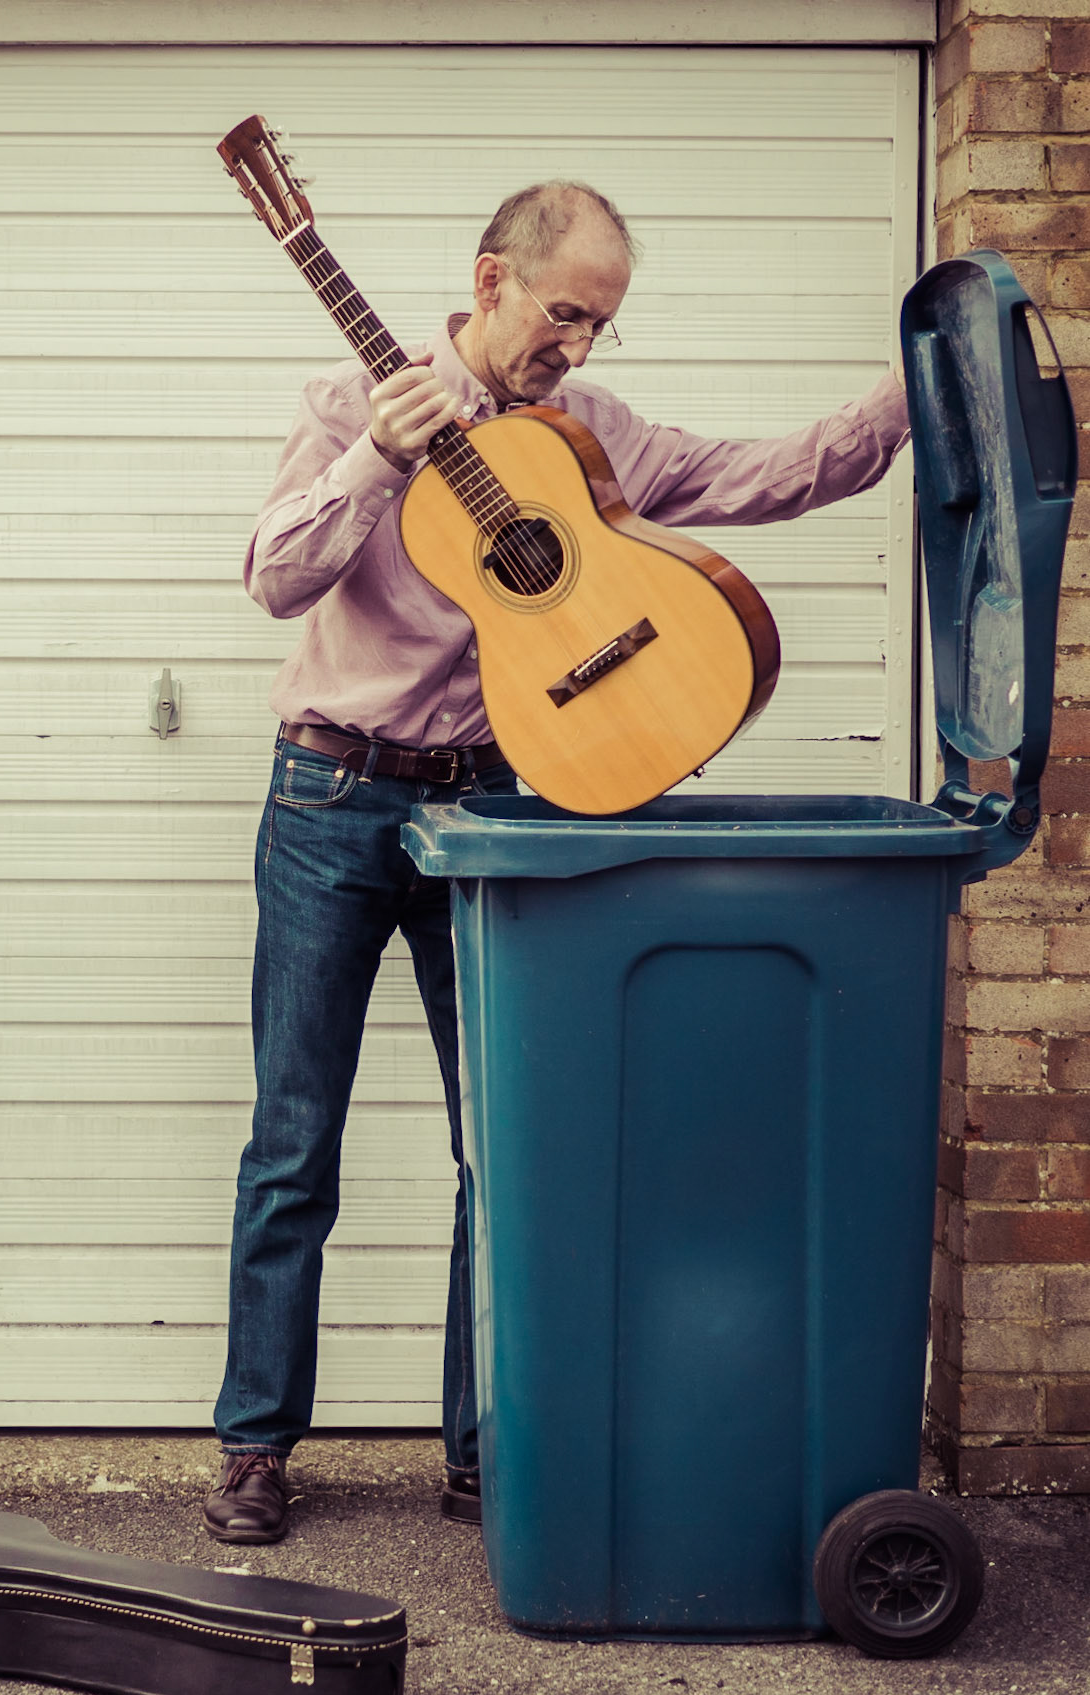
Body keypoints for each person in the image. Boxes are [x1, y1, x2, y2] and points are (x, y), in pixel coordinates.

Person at [203, 183, 911, 1545]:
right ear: (489, 280)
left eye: (600, 326)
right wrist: (375, 462)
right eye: (563, 314)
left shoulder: (595, 436)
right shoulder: (354, 399)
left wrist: (908, 385)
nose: (576, 348)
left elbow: (775, 473)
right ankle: (252, 1444)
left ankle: (487, 1445)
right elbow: (270, 578)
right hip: (330, 798)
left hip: (494, 811)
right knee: (293, 1138)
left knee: (505, 1149)